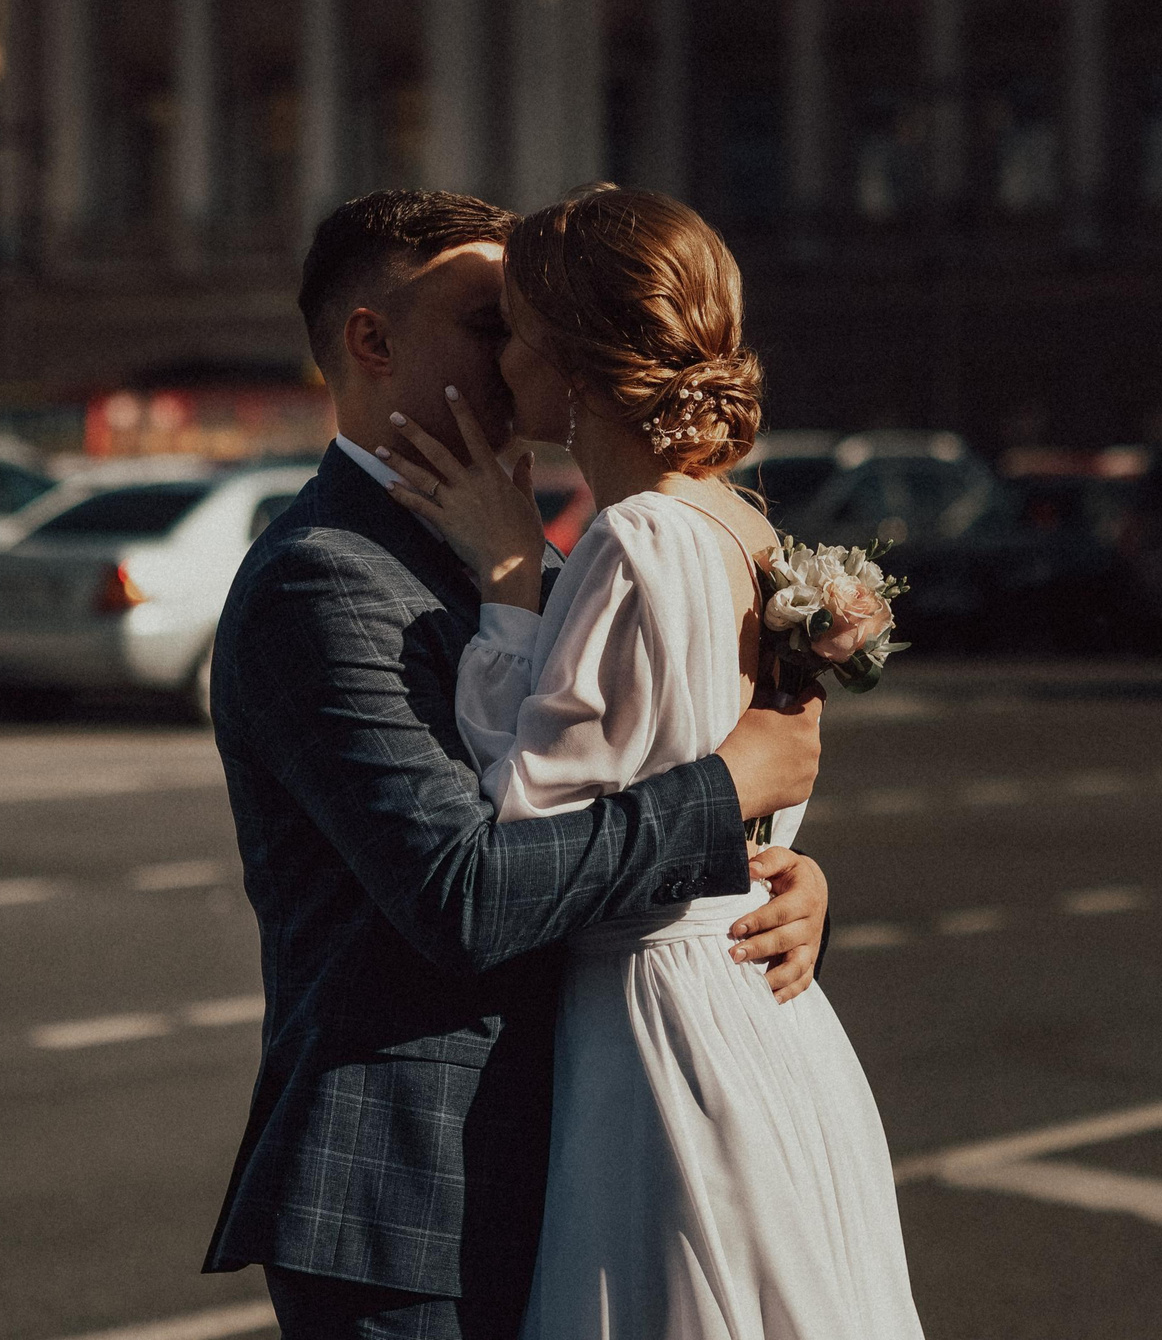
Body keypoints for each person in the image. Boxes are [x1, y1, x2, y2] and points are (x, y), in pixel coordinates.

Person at [204, 189, 836, 1340]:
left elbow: (604, 779)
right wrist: (723, 796)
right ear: (372, 341)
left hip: (578, 1145)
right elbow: (462, 895)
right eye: (490, 324)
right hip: (414, 1197)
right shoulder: (327, 577)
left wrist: (771, 882)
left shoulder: (521, 548)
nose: (526, 354)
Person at [380, 185, 923, 1340]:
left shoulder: (631, 540)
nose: (501, 359)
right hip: (766, 1016)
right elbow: (743, 788)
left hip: (657, 1032)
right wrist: (792, 872)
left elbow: (525, 820)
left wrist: (511, 588)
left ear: (574, 365)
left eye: (515, 329)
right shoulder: (743, 526)